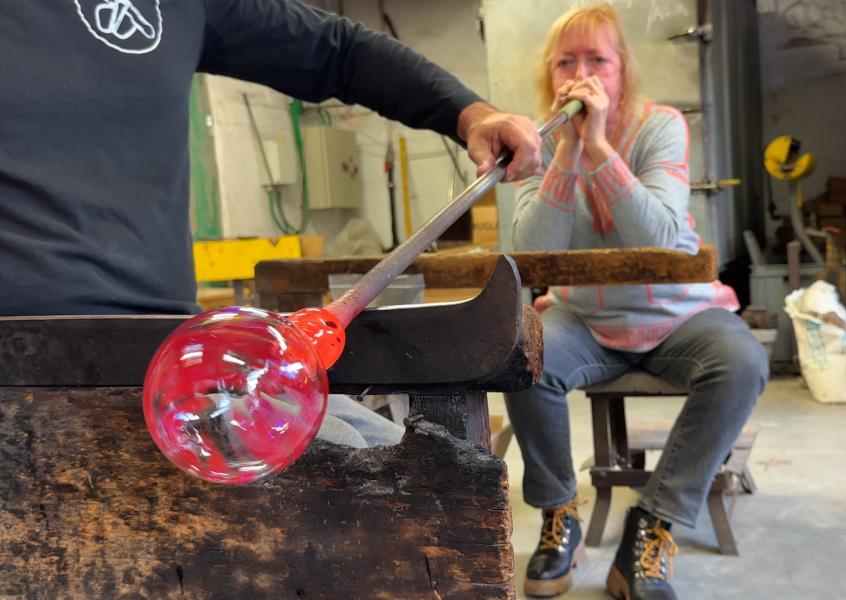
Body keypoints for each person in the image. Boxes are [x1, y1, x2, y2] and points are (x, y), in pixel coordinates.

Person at [1, 2, 541, 444]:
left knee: (391, 465)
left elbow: (336, 51)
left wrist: (470, 113)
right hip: (15, 354)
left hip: (164, 361)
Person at [505, 4, 769, 599]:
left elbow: (658, 240)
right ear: (551, 75)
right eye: (566, 61)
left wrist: (598, 146)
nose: (581, 73)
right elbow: (534, 255)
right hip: (586, 317)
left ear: (621, 69)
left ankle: (653, 522)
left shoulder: (660, 125)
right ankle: (558, 515)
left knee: (743, 364)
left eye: (597, 59)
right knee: (523, 357)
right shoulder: (536, 141)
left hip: (681, 313)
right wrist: (567, 154)